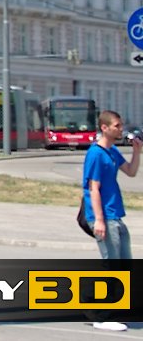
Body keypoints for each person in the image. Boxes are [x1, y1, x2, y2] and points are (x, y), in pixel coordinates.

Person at [82, 109, 141, 332]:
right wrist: (99, 220)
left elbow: (131, 172)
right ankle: (100, 316)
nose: (121, 129)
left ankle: (91, 301)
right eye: (117, 125)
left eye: (121, 125)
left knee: (123, 266)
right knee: (112, 266)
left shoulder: (112, 151)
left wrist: (137, 152)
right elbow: (93, 188)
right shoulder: (95, 154)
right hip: (103, 217)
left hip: (116, 214)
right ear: (104, 128)